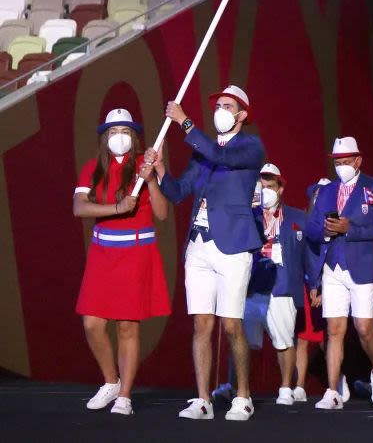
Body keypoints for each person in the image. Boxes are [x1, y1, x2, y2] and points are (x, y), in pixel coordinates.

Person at [151, 86, 263, 421]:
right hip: (199, 246)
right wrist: (159, 174)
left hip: (232, 245)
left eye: (228, 106)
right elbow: (178, 191)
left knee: (231, 325)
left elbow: (223, 157)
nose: (221, 110)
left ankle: (243, 396)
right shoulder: (203, 153)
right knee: (201, 323)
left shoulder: (250, 147)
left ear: (242, 114)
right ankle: (202, 399)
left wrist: (184, 122)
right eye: (218, 105)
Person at [74, 108, 170, 416]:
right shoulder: (92, 168)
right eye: (114, 132)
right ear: (104, 138)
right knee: (92, 323)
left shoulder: (144, 167)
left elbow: (162, 213)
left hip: (136, 253)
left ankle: (125, 396)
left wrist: (151, 178)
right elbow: (79, 207)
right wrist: (118, 207)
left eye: (126, 132)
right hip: (103, 254)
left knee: (127, 326)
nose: (120, 138)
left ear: (135, 137)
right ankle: (110, 381)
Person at [306, 137, 373, 410]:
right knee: (334, 329)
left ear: (358, 161)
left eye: (345, 161)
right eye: (337, 162)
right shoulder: (327, 191)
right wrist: (325, 231)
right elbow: (312, 228)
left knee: (364, 328)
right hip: (333, 266)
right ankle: (332, 391)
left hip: (363, 266)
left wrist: (348, 229)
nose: (341, 166)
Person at [242, 163, 309, 405]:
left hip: (282, 286)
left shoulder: (298, 218)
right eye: (261, 186)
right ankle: (238, 388)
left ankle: (284, 388)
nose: (265, 190)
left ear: (280, 188)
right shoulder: (248, 215)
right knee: (242, 341)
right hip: (251, 287)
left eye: (270, 186)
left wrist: (314, 285)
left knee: (283, 340)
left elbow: (309, 254)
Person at [294, 179, 329, 403]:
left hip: (329, 286)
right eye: (317, 193)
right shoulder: (304, 220)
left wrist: (322, 288)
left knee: (329, 338)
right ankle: (298, 386)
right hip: (306, 285)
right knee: (303, 338)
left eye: (324, 194)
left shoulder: (334, 224)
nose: (319, 197)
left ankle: (336, 382)